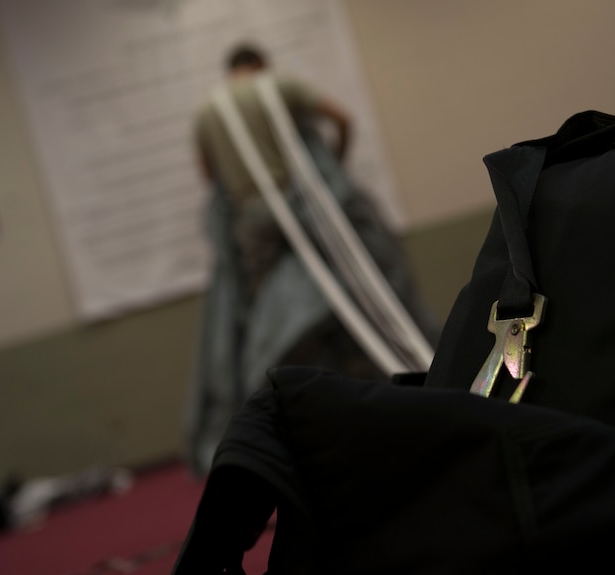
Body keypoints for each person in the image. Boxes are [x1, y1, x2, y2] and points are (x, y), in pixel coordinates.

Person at [185, 43, 440, 474]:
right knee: (344, 295)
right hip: (308, 211)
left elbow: (210, 178)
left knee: (273, 314)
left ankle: (292, 409)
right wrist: (334, 163)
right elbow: (342, 118)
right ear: (260, 65)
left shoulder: (206, 112)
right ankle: (379, 390)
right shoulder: (277, 85)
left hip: (255, 221)